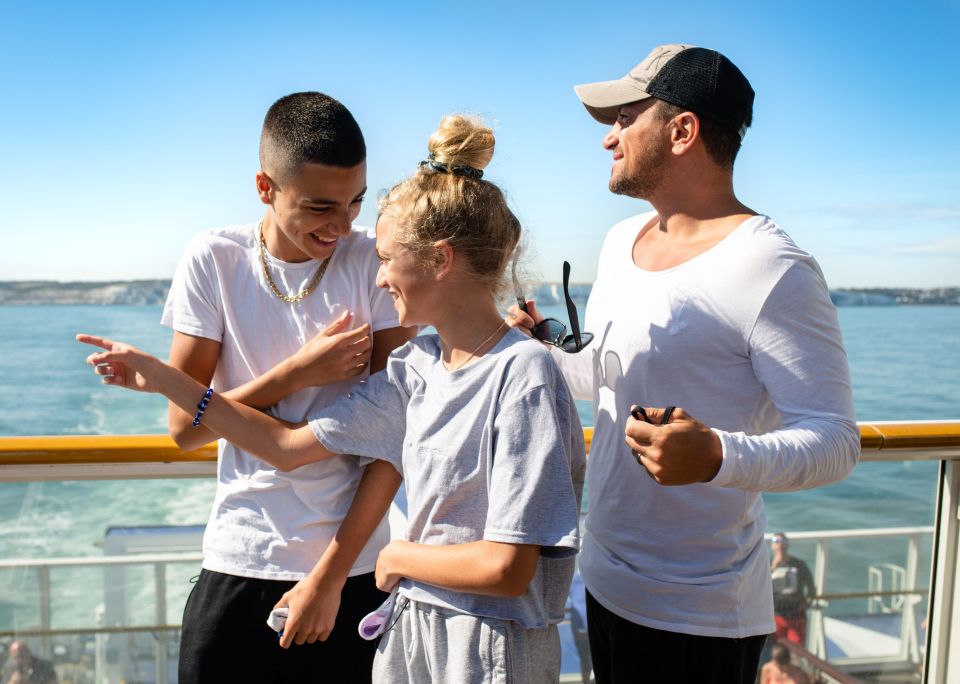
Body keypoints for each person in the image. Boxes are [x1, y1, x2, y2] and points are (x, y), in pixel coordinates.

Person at [79, 114, 585, 683]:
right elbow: (284, 445)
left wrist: (380, 561)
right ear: (266, 188)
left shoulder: (521, 372)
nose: (373, 267)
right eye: (323, 207)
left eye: (386, 255)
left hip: (471, 636)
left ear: (438, 259)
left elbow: (506, 565)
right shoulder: (415, 367)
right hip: (402, 624)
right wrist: (175, 378)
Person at [508, 43, 859, 683]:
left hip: (698, 614)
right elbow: (607, 381)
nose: (608, 139)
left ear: (682, 130)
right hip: (604, 579)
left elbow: (836, 440)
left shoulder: (773, 267)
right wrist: (540, 350)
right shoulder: (622, 242)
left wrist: (720, 457)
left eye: (624, 119)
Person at [159, 92, 415, 682]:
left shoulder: (377, 263)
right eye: (321, 206)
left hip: (351, 571)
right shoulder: (214, 258)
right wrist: (298, 373)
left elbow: (393, 441)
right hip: (240, 554)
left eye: (355, 202)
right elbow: (183, 429)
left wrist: (327, 577)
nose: (343, 226)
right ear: (265, 187)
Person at [771, 533, 817, 645]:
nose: (779, 546)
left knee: (796, 648)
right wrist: (772, 568)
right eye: (776, 542)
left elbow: (811, 588)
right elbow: (759, 587)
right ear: (772, 546)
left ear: (787, 546)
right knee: (777, 649)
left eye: (783, 543)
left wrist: (807, 603)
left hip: (796, 613)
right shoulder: (766, 565)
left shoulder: (799, 565)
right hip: (776, 614)